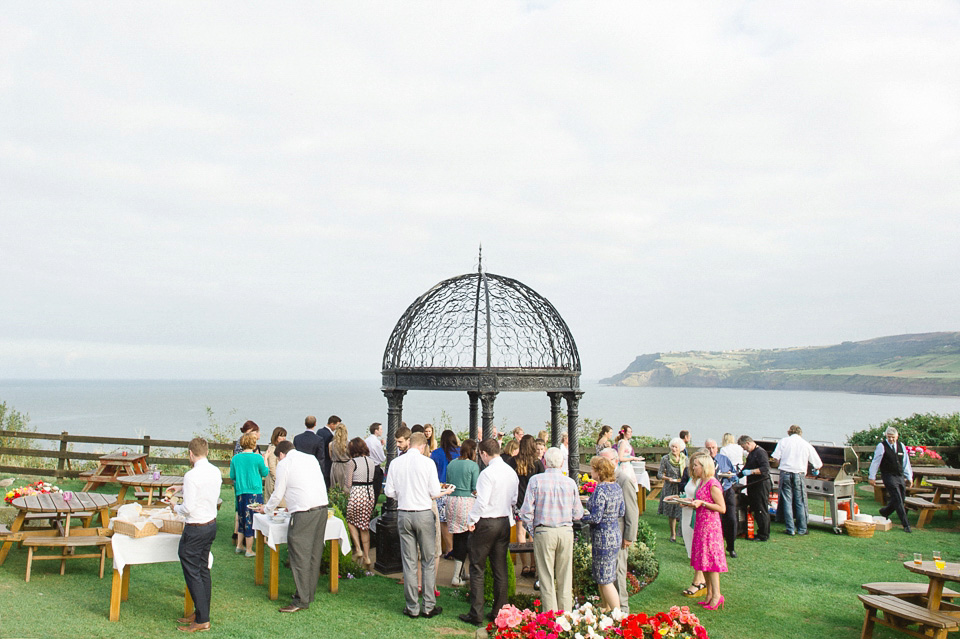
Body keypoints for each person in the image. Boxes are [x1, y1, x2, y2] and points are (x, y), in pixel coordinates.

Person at [384, 432, 453, 619]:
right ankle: (428, 606)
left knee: (409, 561)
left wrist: (403, 495)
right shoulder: (427, 463)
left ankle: (412, 607)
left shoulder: (396, 463)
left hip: (404, 513)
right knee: (428, 560)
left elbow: (389, 491)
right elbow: (433, 491)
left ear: (409, 444)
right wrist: (444, 492)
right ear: (422, 446)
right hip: (423, 513)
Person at [258, 440, 329, 614]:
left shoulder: (285, 463)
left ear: (281, 454)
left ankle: (301, 600)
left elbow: (278, 491)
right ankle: (307, 593)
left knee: (299, 554)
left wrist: (266, 508)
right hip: (321, 507)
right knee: (314, 553)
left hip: (304, 512)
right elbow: (308, 483)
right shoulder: (310, 458)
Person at [459, 438, 519, 627]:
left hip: (486, 522)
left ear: (484, 453)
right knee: (500, 567)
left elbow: (482, 501)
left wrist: (471, 520)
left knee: (477, 566)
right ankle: (499, 611)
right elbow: (514, 499)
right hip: (503, 521)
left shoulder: (487, 474)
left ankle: (476, 612)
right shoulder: (511, 472)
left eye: (480, 455)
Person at [518, 447, 583, 613]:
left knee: (546, 578)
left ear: (544, 462)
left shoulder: (536, 481)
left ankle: (550, 617)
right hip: (565, 531)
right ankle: (566, 617)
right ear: (562, 463)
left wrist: (533, 529)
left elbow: (525, 512)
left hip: (544, 531)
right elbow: (578, 513)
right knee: (565, 577)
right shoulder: (570, 482)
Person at [172, 437, 221, 633]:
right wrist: (181, 488)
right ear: (206, 452)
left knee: (192, 569)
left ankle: (203, 620)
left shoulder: (191, 475)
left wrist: (174, 506)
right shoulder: (215, 471)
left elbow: (188, 507)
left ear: (191, 454)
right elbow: (205, 489)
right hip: (210, 525)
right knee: (202, 568)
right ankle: (201, 612)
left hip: (195, 527)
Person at [581, 456, 626, 613]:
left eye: (593, 469)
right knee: (606, 575)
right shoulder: (617, 487)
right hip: (614, 532)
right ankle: (606, 607)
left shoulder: (601, 489)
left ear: (599, 472)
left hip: (603, 537)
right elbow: (621, 511)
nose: (591, 471)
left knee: (605, 579)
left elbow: (595, 518)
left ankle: (617, 614)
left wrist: (580, 515)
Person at [683, 454, 727, 610]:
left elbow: (722, 508)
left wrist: (703, 503)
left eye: (696, 465)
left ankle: (717, 595)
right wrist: (689, 502)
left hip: (711, 527)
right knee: (704, 561)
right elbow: (700, 501)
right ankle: (709, 594)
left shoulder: (713, 484)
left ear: (704, 466)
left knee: (712, 561)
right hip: (701, 525)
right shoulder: (701, 482)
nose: (693, 468)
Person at [600, 447, 639, 614]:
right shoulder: (605, 479)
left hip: (620, 532)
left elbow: (632, 510)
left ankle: (622, 610)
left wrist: (629, 536)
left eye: (605, 461)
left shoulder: (623, 480)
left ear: (615, 462)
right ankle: (608, 607)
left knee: (618, 572)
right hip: (608, 534)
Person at [771, 424, 822, 536]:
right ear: (800, 433)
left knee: (787, 501)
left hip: (785, 473)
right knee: (800, 502)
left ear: (789, 432)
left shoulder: (783, 441)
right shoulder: (806, 444)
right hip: (799, 475)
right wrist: (815, 470)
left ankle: (790, 529)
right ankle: (802, 529)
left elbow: (775, 458)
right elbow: (818, 463)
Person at [506, 435, 545, 578]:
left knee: (520, 533)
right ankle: (534, 564)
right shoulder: (537, 463)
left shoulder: (512, 461)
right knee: (533, 534)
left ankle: (525, 566)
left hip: (519, 501)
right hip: (535, 503)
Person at [446, 439, 480, 587]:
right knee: (465, 538)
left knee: (457, 536)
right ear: (472, 451)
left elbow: (448, 482)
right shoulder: (473, 466)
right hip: (466, 502)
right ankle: (456, 576)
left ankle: (460, 572)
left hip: (451, 501)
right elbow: (475, 487)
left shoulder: (452, 463)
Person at [230, 432, 269, 557]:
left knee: (242, 518)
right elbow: (265, 472)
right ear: (253, 444)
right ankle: (249, 549)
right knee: (251, 520)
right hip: (254, 492)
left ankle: (239, 545)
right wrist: (266, 459)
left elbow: (232, 476)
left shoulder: (235, 458)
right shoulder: (257, 458)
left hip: (240, 492)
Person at [868, 426, 913, 533]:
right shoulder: (881, 446)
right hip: (888, 475)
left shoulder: (901, 446)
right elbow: (876, 462)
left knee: (901, 498)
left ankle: (885, 511)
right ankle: (906, 525)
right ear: (886, 437)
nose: (891, 439)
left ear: (897, 437)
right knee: (897, 498)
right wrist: (871, 476)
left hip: (899, 475)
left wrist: (909, 477)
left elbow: (906, 463)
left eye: (893, 437)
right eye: (889, 437)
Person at [679, 451, 711, 598]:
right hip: (686, 513)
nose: (694, 466)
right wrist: (679, 498)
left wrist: (690, 502)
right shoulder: (692, 478)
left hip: (696, 516)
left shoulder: (705, 481)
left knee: (696, 548)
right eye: (693, 463)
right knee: (690, 547)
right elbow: (689, 494)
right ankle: (702, 579)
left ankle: (698, 581)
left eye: (697, 464)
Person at [346, 437, 378, 573]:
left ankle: (358, 549)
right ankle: (366, 557)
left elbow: (348, 484)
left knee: (350, 521)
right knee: (364, 525)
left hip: (357, 492)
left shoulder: (352, 462)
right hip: (369, 493)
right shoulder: (371, 462)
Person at [705, 439, 738, 558]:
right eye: (708, 448)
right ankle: (714, 547)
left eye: (713, 448)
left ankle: (731, 547)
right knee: (715, 522)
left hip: (727, 491)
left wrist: (730, 475)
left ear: (717, 448)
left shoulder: (724, 459)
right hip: (713, 493)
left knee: (731, 519)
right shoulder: (705, 462)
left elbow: (735, 476)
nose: (711, 450)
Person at [431, 430, 461, 557]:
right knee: (457, 521)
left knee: (444, 522)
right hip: (458, 489)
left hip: (442, 490)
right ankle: (459, 548)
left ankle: (449, 548)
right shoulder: (460, 451)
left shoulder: (437, 453)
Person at [738, 436, 771, 542]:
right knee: (756, 508)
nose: (744, 449)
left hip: (760, 484)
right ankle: (761, 530)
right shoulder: (751, 454)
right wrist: (737, 475)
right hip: (752, 485)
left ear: (748, 443)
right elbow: (746, 467)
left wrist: (751, 472)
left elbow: (765, 469)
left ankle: (764, 534)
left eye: (744, 447)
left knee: (761, 509)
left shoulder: (760, 452)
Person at [658, 438, 687, 543]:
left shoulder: (685, 459)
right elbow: (659, 474)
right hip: (670, 487)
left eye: (676, 447)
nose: (674, 449)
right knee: (672, 512)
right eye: (672, 447)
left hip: (681, 486)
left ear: (680, 449)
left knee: (682, 511)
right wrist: (668, 479)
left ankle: (683, 535)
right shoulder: (665, 459)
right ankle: (673, 534)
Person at [263, 427, 287, 508]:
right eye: (281, 436)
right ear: (276, 437)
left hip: (278, 479)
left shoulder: (280, 448)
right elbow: (272, 467)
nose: (283, 438)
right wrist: (278, 479)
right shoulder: (273, 449)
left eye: (284, 436)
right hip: (273, 481)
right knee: (275, 504)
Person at [317, 416, 341, 487]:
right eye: (337, 425)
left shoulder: (319, 431)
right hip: (327, 462)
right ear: (332, 424)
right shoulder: (329, 436)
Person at [329, 423, 352, 491]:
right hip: (346, 466)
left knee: (335, 487)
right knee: (346, 487)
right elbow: (351, 457)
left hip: (335, 466)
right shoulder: (349, 443)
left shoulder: (331, 444)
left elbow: (330, 456)